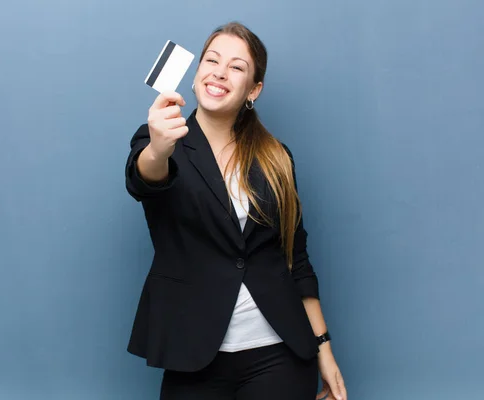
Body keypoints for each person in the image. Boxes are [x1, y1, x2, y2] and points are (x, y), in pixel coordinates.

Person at [124, 21, 347, 400]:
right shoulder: (159, 138)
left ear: (253, 89)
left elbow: (297, 261)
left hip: (281, 354)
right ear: (196, 75)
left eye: (237, 67)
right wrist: (160, 148)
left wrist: (324, 349)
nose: (220, 72)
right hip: (193, 355)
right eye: (212, 60)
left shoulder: (277, 157)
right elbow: (145, 179)